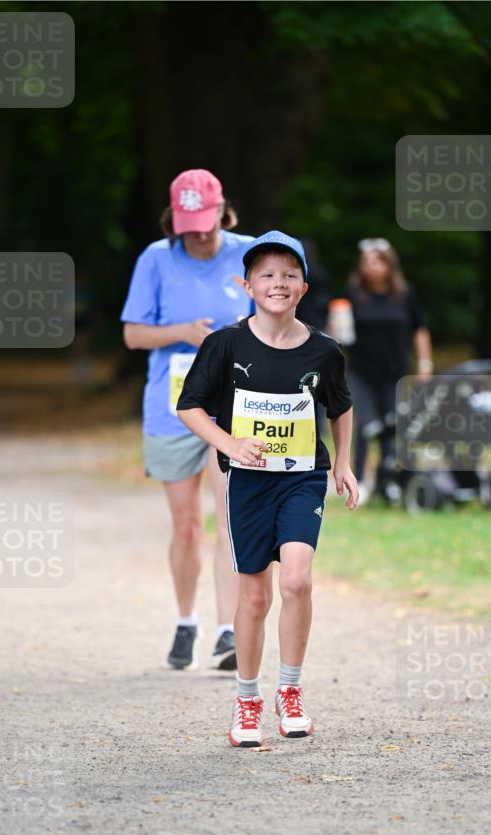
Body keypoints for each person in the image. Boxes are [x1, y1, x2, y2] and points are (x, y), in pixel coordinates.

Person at [177, 231, 358, 748]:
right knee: (254, 596)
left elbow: (341, 407)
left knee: (297, 581)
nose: (278, 283)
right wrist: (229, 444)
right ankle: (248, 700)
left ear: (303, 285)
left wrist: (343, 464)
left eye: (288, 274)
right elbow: (190, 407)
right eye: (267, 275)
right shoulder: (226, 345)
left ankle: (292, 691)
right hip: (248, 485)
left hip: (302, 479)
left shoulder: (324, 350)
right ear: (247, 285)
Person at [121, 169, 253, 670]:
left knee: (231, 518)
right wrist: (181, 331)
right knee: (186, 526)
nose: (198, 232)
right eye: (187, 222)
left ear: (223, 211)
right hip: (172, 407)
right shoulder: (156, 259)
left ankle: (228, 632)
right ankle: (185, 620)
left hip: (234, 406)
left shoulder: (248, 252)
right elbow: (133, 335)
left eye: (206, 220)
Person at [340, 239, 433, 504]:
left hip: (395, 372)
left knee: (394, 424)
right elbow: (340, 332)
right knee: (365, 425)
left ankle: (389, 478)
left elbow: (419, 328)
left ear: (389, 264)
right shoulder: (352, 294)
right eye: (367, 262)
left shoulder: (404, 294)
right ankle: (358, 480)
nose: (373, 267)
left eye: (379, 261)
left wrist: (425, 362)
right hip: (361, 371)